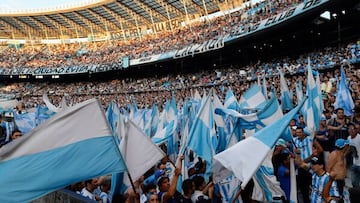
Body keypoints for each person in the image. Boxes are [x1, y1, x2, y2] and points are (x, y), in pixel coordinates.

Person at [326, 138, 350, 203]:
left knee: (341, 199)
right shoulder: (334, 154)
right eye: (346, 145)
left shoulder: (342, 154)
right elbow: (328, 169)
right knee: (337, 200)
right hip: (335, 182)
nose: (348, 146)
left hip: (340, 181)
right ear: (343, 146)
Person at [348, 123, 360, 188]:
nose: (351, 130)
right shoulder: (349, 138)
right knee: (354, 182)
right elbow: (349, 149)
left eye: (353, 129)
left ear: (356, 130)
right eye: (349, 129)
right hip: (354, 163)